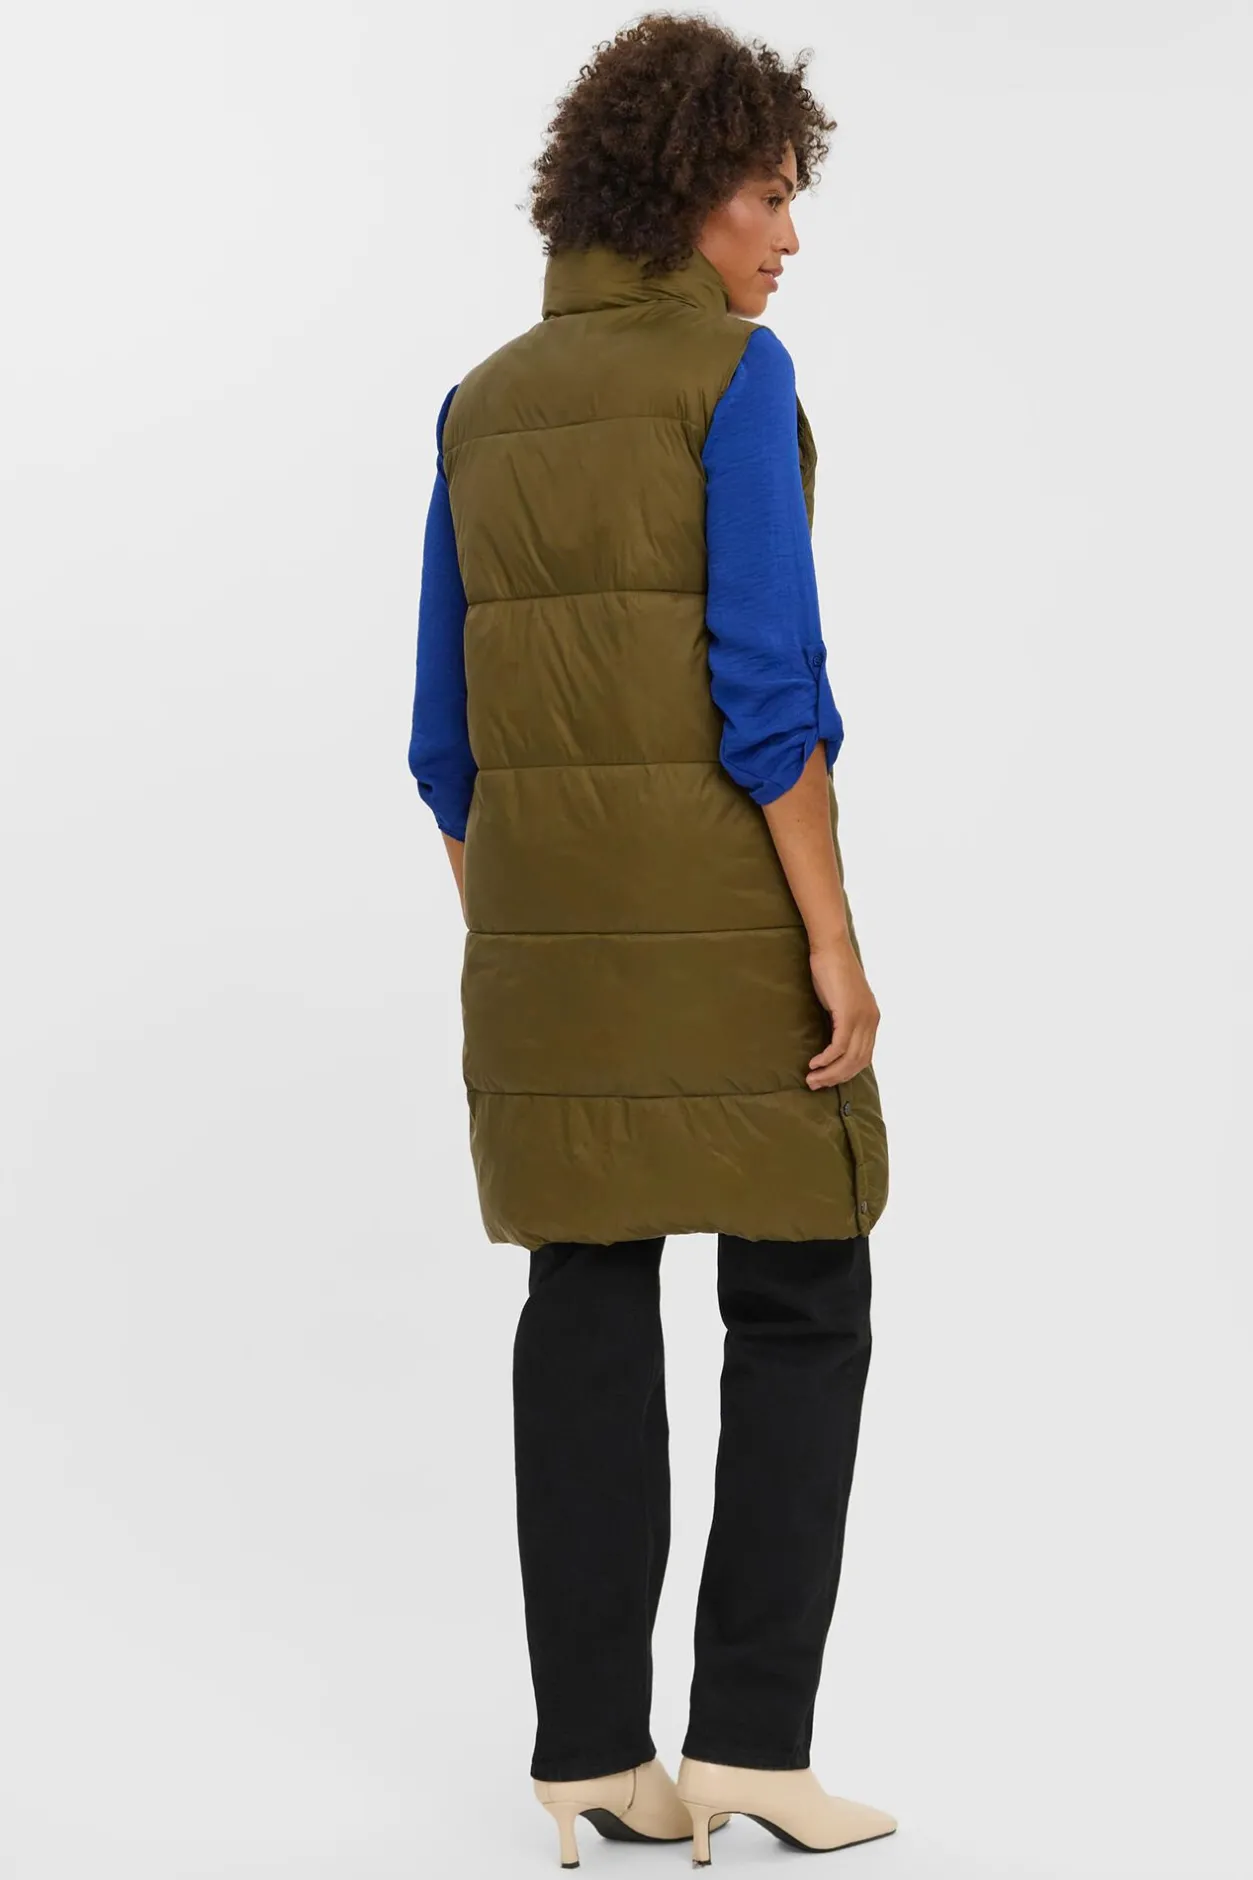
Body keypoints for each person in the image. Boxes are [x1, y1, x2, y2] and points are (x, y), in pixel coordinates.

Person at [407, 12, 894, 1867]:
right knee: (803, 1295)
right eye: (768, 194)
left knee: (588, 1300)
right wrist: (832, 944)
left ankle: (592, 1760)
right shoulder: (734, 382)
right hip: (733, 932)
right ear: (688, 194)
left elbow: (443, 746)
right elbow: (771, 697)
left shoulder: (480, 403)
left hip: (541, 952)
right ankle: (753, 1744)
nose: (789, 236)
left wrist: (538, 937)